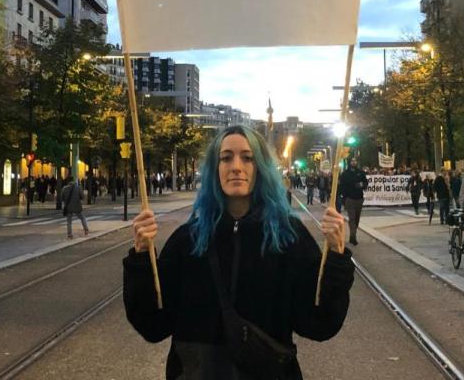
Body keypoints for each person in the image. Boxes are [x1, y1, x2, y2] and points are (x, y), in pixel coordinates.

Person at [125, 125, 353, 379]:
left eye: (247, 158)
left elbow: (319, 324)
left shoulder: (289, 237)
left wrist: (335, 256)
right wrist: (141, 259)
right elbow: (153, 325)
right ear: (215, 169)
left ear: (261, 168)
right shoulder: (188, 240)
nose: (236, 166)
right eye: (226, 158)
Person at [339, 157, 367, 246]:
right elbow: (342, 186)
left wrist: (361, 185)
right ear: (349, 162)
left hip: (359, 198)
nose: (354, 162)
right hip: (349, 199)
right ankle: (353, 236)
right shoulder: (345, 174)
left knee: (357, 219)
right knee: (352, 218)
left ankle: (353, 235)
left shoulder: (361, 172)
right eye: (352, 161)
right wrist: (343, 197)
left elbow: (365, 183)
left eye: (355, 161)